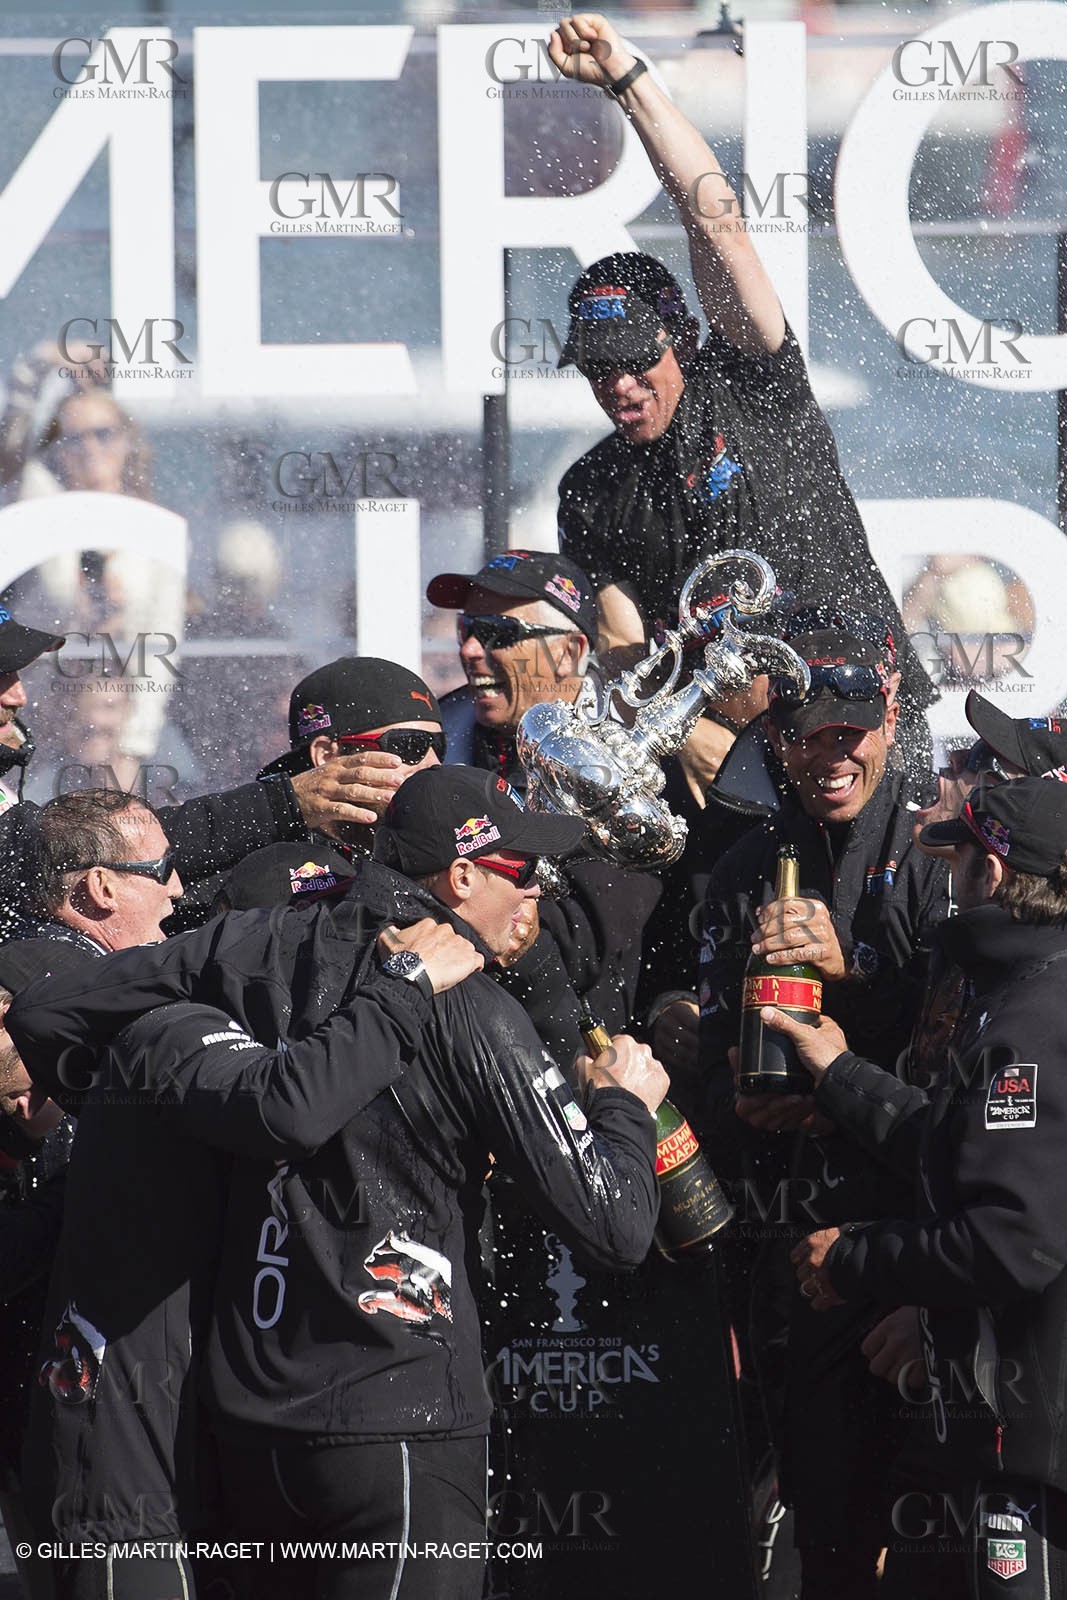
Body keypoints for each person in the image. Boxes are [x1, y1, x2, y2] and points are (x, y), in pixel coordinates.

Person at [10, 766, 666, 1600]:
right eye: (522, 873)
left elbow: (44, 1014)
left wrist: (150, 1116)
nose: (534, 895)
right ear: (461, 877)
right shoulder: (469, 1010)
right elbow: (613, 1227)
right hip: (397, 1423)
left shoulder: (252, 948)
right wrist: (622, 1111)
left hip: (249, 1431)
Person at [15, 787, 482, 1600]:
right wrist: (403, 985)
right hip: (125, 1466)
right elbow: (286, 1108)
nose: (176, 892)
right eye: (163, 871)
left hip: (194, 1446)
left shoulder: (177, 1028)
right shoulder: (164, 1025)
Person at [546, 12, 935, 789]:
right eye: (595, 368)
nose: (617, 386)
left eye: (633, 361)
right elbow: (621, 644)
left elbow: (713, 221)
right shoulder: (589, 490)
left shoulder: (753, 384)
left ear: (681, 340)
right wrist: (670, 729)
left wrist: (629, 84)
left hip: (863, 717)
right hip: (733, 759)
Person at [695, 622, 950, 1597]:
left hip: (915, 1235)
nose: (835, 753)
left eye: (855, 730)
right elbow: (716, 1053)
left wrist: (849, 985)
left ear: (888, 723)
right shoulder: (742, 868)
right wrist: (740, 1094)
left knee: (931, 1535)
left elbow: (970, 1072)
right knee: (825, 1527)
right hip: (790, 1245)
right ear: (777, 738)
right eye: (812, 733)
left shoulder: (937, 852)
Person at [778, 777, 1067, 1598]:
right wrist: (839, 1075)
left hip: (1037, 1456)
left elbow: (1016, 1239)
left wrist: (858, 1259)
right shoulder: (1027, 994)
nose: (945, 878)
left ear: (996, 875)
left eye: (957, 857)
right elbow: (960, 1149)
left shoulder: (1035, 1016)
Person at [428, 548, 661, 1037]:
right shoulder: (435, 731)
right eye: (466, 629)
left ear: (570, 652)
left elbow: (585, 944)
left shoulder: (625, 757)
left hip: (581, 1049)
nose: (471, 650)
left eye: (498, 634)